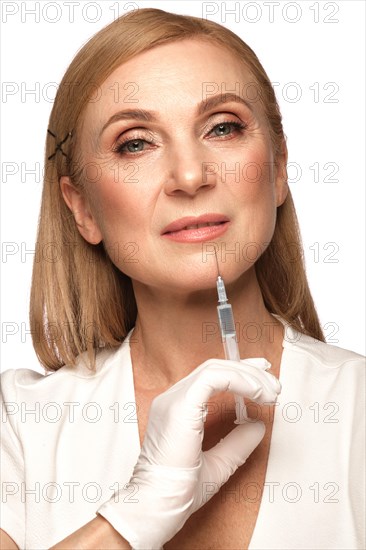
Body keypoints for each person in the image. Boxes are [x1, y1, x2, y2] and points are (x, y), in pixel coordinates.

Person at [0, 7, 364, 550]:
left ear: (279, 168)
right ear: (83, 209)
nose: (191, 176)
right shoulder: (21, 427)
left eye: (223, 128)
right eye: (135, 143)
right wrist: (132, 517)